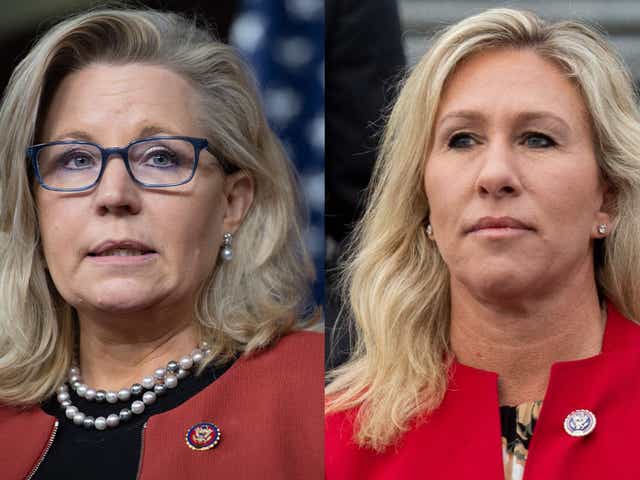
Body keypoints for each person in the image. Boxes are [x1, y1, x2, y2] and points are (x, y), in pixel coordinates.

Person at [0, 8, 323, 479]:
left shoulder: (323, 391)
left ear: (232, 203)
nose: (114, 195)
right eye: (75, 160)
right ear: (33, 207)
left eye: (160, 158)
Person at [325, 8, 640, 480]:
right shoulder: (331, 441)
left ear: (607, 197)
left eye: (538, 140)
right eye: (462, 140)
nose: (494, 174)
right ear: (422, 200)